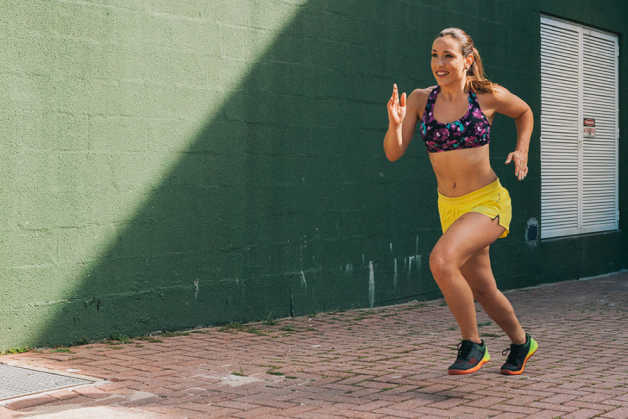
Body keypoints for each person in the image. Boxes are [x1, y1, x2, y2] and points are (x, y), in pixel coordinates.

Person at [382, 27, 537, 375]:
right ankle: (521, 342)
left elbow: (524, 112)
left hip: (488, 203)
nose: (439, 62)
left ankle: (473, 344)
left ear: (467, 59)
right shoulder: (422, 100)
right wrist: (395, 125)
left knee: (441, 260)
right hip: (449, 207)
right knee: (483, 289)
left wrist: (522, 149)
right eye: (434, 55)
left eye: (448, 55)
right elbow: (393, 154)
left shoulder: (486, 96)